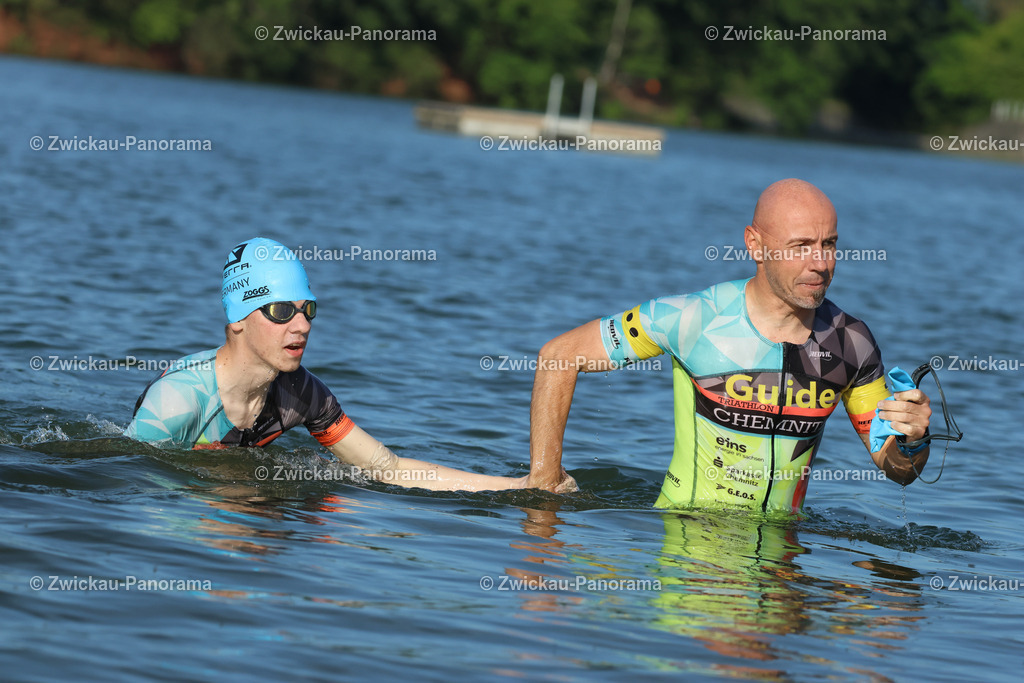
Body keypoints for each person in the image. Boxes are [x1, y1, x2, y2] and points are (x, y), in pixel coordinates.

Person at [525, 179, 932, 512]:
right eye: (801, 246)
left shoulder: (851, 343)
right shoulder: (691, 319)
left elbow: (897, 468)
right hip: (690, 564)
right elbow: (559, 357)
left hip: (783, 573)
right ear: (754, 245)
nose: (820, 263)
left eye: (829, 245)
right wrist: (544, 484)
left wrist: (914, 439)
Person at [126, 237, 528, 492]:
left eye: (308, 309)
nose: (301, 325)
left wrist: (518, 485)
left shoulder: (303, 394)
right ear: (237, 320)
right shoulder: (178, 400)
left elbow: (386, 468)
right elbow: (127, 478)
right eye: (281, 310)